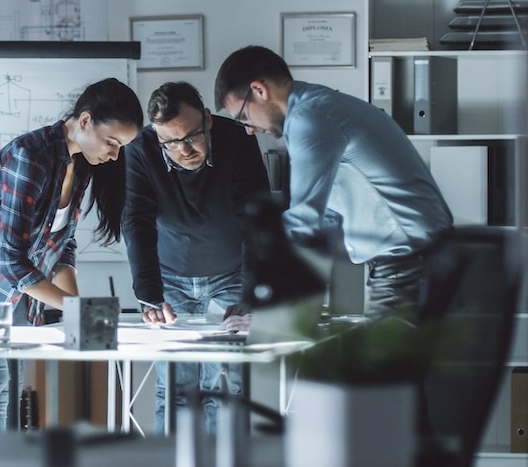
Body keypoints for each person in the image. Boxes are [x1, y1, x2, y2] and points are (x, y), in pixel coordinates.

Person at [0, 77, 143, 430]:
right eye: (112, 142)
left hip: (13, 284)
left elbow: (63, 245)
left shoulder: (82, 163)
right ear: (85, 121)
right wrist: (76, 309)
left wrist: (78, 304)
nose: (115, 155)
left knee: (14, 385)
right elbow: (12, 261)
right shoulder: (29, 157)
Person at [213, 45, 453, 319]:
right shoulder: (321, 106)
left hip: (406, 260)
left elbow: (303, 219)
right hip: (418, 256)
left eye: (243, 116)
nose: (248, 129)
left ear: (259, 90)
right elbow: (326, 215)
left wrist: (263, 301)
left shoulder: (309, 119)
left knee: (385, 362)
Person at [122, 81, 270, 434]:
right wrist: (148, 293)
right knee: (175, 389)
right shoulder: (140, 148)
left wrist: (251, 295)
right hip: (170, 278)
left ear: (207, 119)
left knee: (226, 388)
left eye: (191, 136)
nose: (183, 150)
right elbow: (136, 221)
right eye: (170, 143)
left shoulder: (238, 139)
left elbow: (257, 219)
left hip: (231, 275)